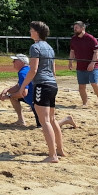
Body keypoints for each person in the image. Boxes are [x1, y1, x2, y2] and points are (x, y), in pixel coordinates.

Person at [17, 21, 66, 163]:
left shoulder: (35, 47)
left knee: (44, 121)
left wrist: (23, 86)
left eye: (31, 30)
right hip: (52, 84)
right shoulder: (49, 47)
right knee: (52, 119)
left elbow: (33, 70)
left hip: (42, 85)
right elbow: (54, 70)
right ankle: (60, 150)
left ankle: (52, 156)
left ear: (37, 32)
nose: (29, 32)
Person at [68, 21, 98, 106]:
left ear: (82, 28)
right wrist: (70, 62)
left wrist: (92, 63)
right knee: (81, 86)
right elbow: (72, 51)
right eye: (74, 27)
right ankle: (85, 103)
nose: (75, 29)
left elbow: (96, 52)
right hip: (81, 66)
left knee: (94, 83)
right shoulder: (74, 39)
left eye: (77, 27)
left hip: (94, 65)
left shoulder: (91, 38)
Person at [0, 54, 39, 127]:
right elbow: (19, 86)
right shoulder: (28, 69)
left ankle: (65, 121)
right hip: (39, 99)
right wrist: (7, 90)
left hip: (36, 104)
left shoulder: (22, 72)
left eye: (15, 61)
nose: (13, 62)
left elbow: (24, 93)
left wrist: (8, 96)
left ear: (22, 62)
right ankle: (21, 120)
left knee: (44, 124)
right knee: (14, 96)